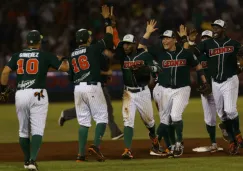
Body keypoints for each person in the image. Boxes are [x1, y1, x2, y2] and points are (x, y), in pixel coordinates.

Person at [139, 20, 210, 157]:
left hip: (182, 89)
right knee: (165, 120)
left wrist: (204, 81)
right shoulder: (159, 52)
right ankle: (159, 144)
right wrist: (147, 33)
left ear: (174, 40)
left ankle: (178, 143)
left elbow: (198, 66)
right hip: (165, 90)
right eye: (163, 38)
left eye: (167, 38)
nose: (164, 41)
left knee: (176, 116)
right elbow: (141, 48)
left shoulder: (185, 53)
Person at [0, 30, 69, 170]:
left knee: (23, 131)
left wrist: (2, 90)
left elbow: (5, 72)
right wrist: (62, 59)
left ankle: (26, 161)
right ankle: (32, 161)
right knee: (37, 129)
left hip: (21, 94)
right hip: (38, 93)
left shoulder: (17, 55)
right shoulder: (45, 56)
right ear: (39, 42)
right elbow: (66, 68)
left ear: (27, 42)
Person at [68, 5, 114, 162]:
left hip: (78, 88)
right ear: (87, 39)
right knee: (102, 118)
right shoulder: (93, 49)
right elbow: (109, 39)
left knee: (83, 122)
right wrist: (107, 20)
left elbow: (70, 76)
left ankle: (80, 156)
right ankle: (95, 146)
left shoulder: (72, 54)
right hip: (92, 86)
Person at [112, 21, 162, 159]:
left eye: (128, 44)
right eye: (124, 44)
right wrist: (112, 25)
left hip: (143, 92)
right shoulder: (123, 57)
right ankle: (127, 150)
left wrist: (146, 68)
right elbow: (114, 40)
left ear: (135, 45)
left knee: (150, 122)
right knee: (128, 121)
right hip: (128, 93)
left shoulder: (144, 55)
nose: (126, 46)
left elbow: (158, 68)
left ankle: (154, 139)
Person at [195, 19, 243, 155]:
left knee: (230, 110)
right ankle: (233, 141)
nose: (215, 30)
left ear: (224, 29)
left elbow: (242, 54)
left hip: (230, 81)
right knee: (222, 113)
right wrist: (189, 42)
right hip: (215, 83)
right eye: (214, 27)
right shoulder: (207, 44)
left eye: (218, 27)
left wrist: (241, 64)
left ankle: (238, 135)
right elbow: (193, 53)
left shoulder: (233, 44)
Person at [58, 49, 124, 140]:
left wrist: (107, 76)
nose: (111, 54)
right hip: (95, 88)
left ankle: (66, 114)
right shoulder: (95, 57)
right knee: (107, 109)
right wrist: (107, 73)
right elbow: (92, 70)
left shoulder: (105, 59)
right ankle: (115, 132)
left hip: (98, 87)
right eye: (110, 51)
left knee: (88, 109)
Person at [186, 29, 220, 152]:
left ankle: (233, 140)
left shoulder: (216, 53)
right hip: (205, 91)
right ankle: (214, 143)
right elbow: (188, 53)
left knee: (227, 114)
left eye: (208, 38)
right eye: (204, 38)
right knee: (209, 119)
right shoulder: (198, 53)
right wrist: (190, 41)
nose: (205, 40)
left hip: (219, 88)